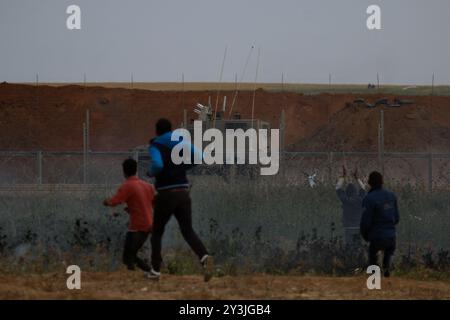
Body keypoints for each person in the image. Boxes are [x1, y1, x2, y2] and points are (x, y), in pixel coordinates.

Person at [147, 118, 213, 282]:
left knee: (156, 232)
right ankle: (204, 257)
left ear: (157, 131)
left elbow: (157, 164)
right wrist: (184, 167)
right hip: (183, 192)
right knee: (187, 230)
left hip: (166, 193)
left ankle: (155, 270)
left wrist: (150, 173)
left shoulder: (156, 145)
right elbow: (200, 156)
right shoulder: (181, 141)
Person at [103, 158, 155, 273]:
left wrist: (106, 202)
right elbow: (152, 203)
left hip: (139, 226)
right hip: (146, 224)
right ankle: (139, 272)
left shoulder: (127, 186)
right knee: (128, 257)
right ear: (136, 170)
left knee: (129, 256)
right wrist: (132, 208)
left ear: (124, 172)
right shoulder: (148, 186)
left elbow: (115, 201)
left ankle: (151, 272)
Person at [360, 171, 400, 277]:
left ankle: (375, 281)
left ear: (369, 182)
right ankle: (387, 273)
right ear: (382, 181)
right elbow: (396, 218)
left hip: (376, 236)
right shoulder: (391, 196)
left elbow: (366, 221)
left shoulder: (369, 198)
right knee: (388, 256)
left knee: (373, 257)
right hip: (391, 237)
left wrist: (365, 235)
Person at [336, 166, 366, 246]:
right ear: (356, 191)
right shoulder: (360, 200)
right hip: (359, 227)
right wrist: (357, 178)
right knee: (358, 247)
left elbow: (338, 188)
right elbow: (363, 188)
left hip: (348, 228)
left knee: (349, 248)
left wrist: (343, 177)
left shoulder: (346, 200)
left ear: (347, 192)